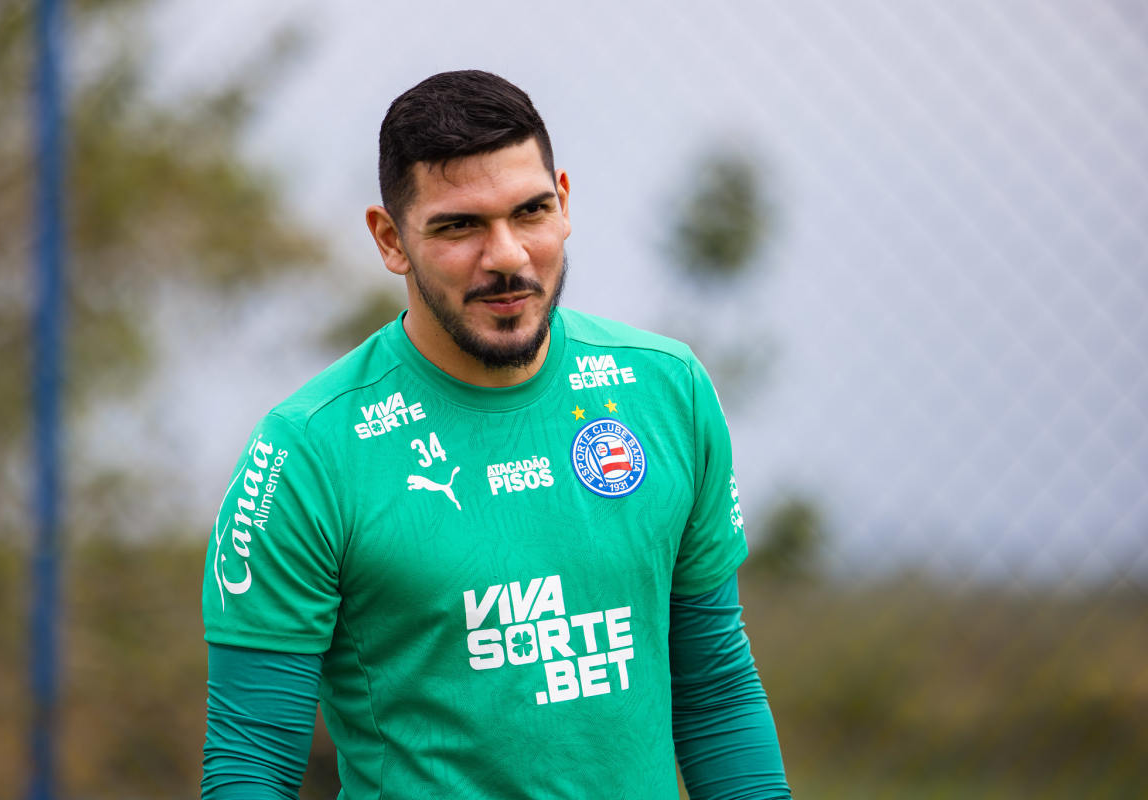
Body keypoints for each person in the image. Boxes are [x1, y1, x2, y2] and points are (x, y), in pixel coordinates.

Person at [201, 69, 791, 799]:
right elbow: (250, 760)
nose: (507, 255)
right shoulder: (307, 452)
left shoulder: (668, 392)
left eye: (531, 212)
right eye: (460, 226)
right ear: (391, 240)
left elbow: (717, 692)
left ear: (565, 203)